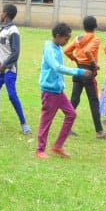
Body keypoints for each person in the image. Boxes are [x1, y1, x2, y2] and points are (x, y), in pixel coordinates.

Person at [37, 23, 91, 158]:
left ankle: (57, 146)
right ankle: (40, 150)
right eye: (66, 39)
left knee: (71, 114)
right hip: (49, 91)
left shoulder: (58, 48)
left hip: (58, 90)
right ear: (58, 36)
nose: (67, 42)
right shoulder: (50, 48)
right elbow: (57, 67)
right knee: (46, 120)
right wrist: (78, 71)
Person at [0, 4, 30, 134]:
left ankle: (24, 124)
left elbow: (16, 52)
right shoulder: (0, 28)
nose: (0, 14)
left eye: (2, 12)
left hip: (9, 70)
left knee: (12, 96)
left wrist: (5, 65)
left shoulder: (13, 31)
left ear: (6, 14)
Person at [64, 16, 106, 140]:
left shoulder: (78, 38)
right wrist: (94, 64)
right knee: (94, 101)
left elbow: (67, 51)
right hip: (88, 72)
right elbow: (87, 51)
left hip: (78, 71)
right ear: (95, 26)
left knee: (74, 100)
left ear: (83, 26)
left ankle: (66, 128)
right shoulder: (95, 39)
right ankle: (99, 132)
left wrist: (75, 60)